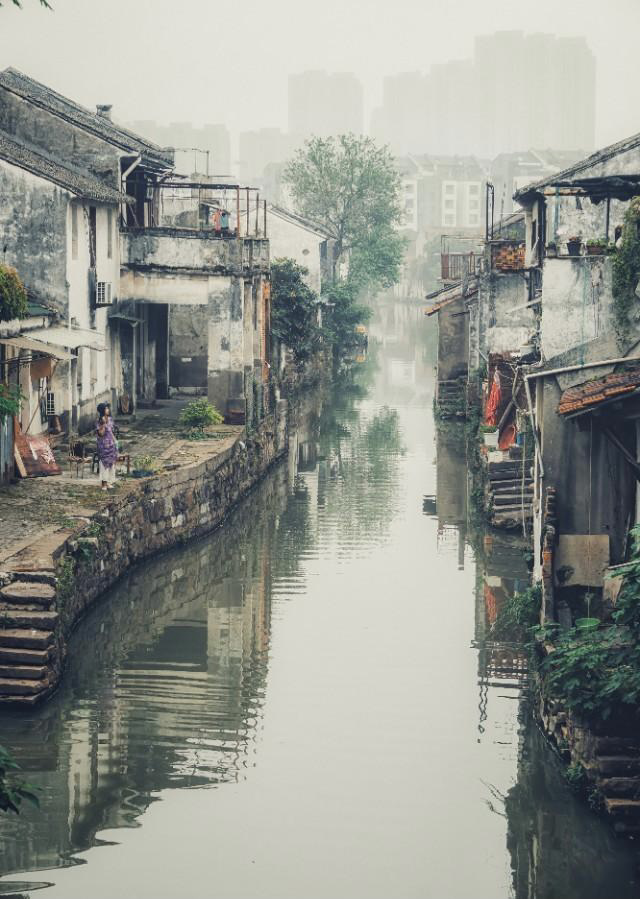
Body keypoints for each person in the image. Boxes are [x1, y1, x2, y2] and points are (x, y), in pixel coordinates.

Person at [96, 402, 118, 490]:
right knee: (104, 464)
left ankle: (109, 482)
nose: (108, 410)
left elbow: (111, 431)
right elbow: (101, 434)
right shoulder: (99, 421)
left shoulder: (110, 419)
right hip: (103, 445)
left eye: (108, 408)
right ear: (102, 410)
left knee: (111, 463)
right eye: (106, 409)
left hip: (111, 444)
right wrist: (103, 425)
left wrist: (115, 440)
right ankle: (103, 483)